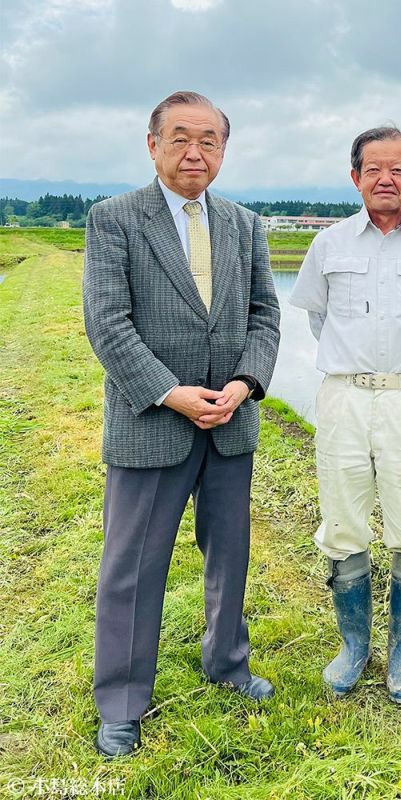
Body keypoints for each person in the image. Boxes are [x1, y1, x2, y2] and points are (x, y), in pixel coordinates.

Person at [83, 91, 281, 758]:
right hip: (152, 423)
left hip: (228, 423)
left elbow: (264, 316)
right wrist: (171, 394)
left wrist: (243, 384)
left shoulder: (245, 224)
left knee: (230, 554)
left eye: (208, 141)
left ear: (223, 150)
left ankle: (227, 662)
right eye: (180, 139)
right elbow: (108, 326)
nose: (194, 152)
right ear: (153, 145)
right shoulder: (115, 221)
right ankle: (121, 699)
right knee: (133, 568)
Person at [289, 126, 401, 705]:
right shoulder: (329, 245)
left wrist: (396, 370)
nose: (385, 179)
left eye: (397, 169)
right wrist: (360, 367)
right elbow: (318, 319)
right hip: (343, 395)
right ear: (355, 177)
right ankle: (353, 647)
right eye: (373, 169)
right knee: (342, 521)